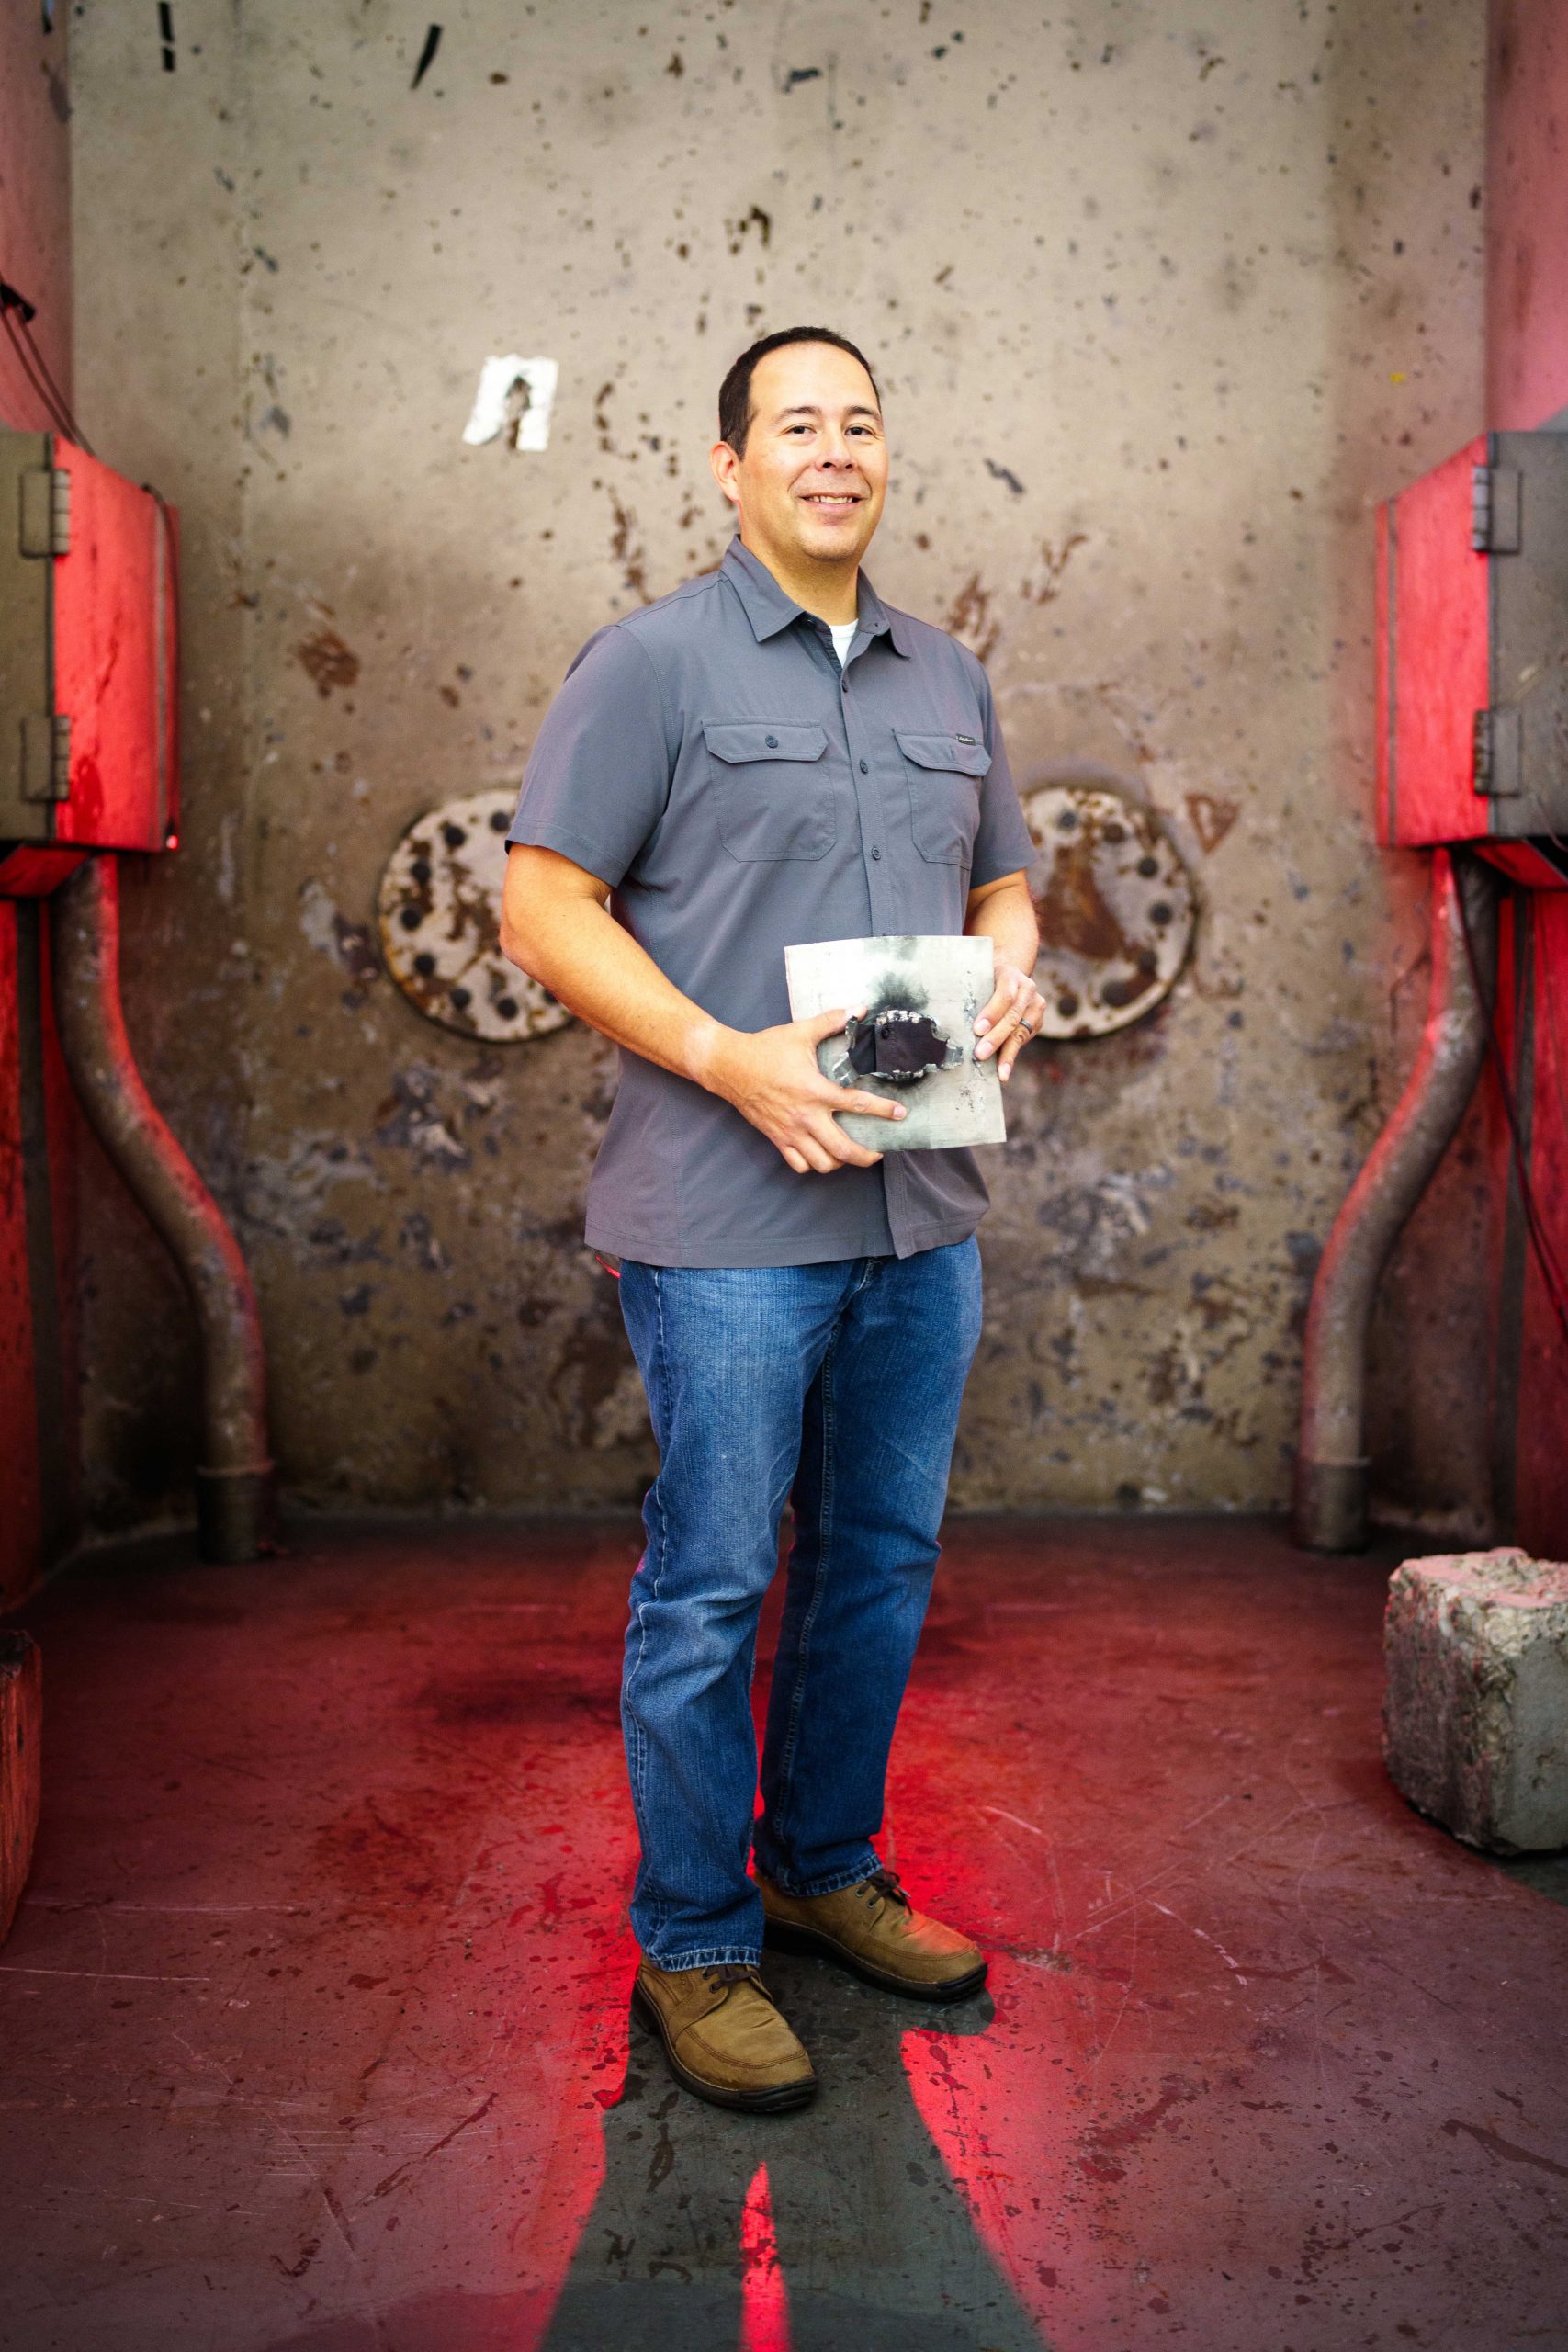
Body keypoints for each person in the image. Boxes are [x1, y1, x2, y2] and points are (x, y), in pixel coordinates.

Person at [500, 327, 1043, 2112]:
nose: (833, 451)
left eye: (859, 423)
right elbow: (540, 907)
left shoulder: (946, 672)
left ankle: (819, 1863)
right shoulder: (648, 666)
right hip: (725, 1222)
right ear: (729, 465)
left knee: (877, 1559)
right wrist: (724, 1056)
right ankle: (694, 1937)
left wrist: (1016, 968)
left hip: (919, 1212)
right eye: (794, 425)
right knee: (716, 1576)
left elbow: (1003, 883)